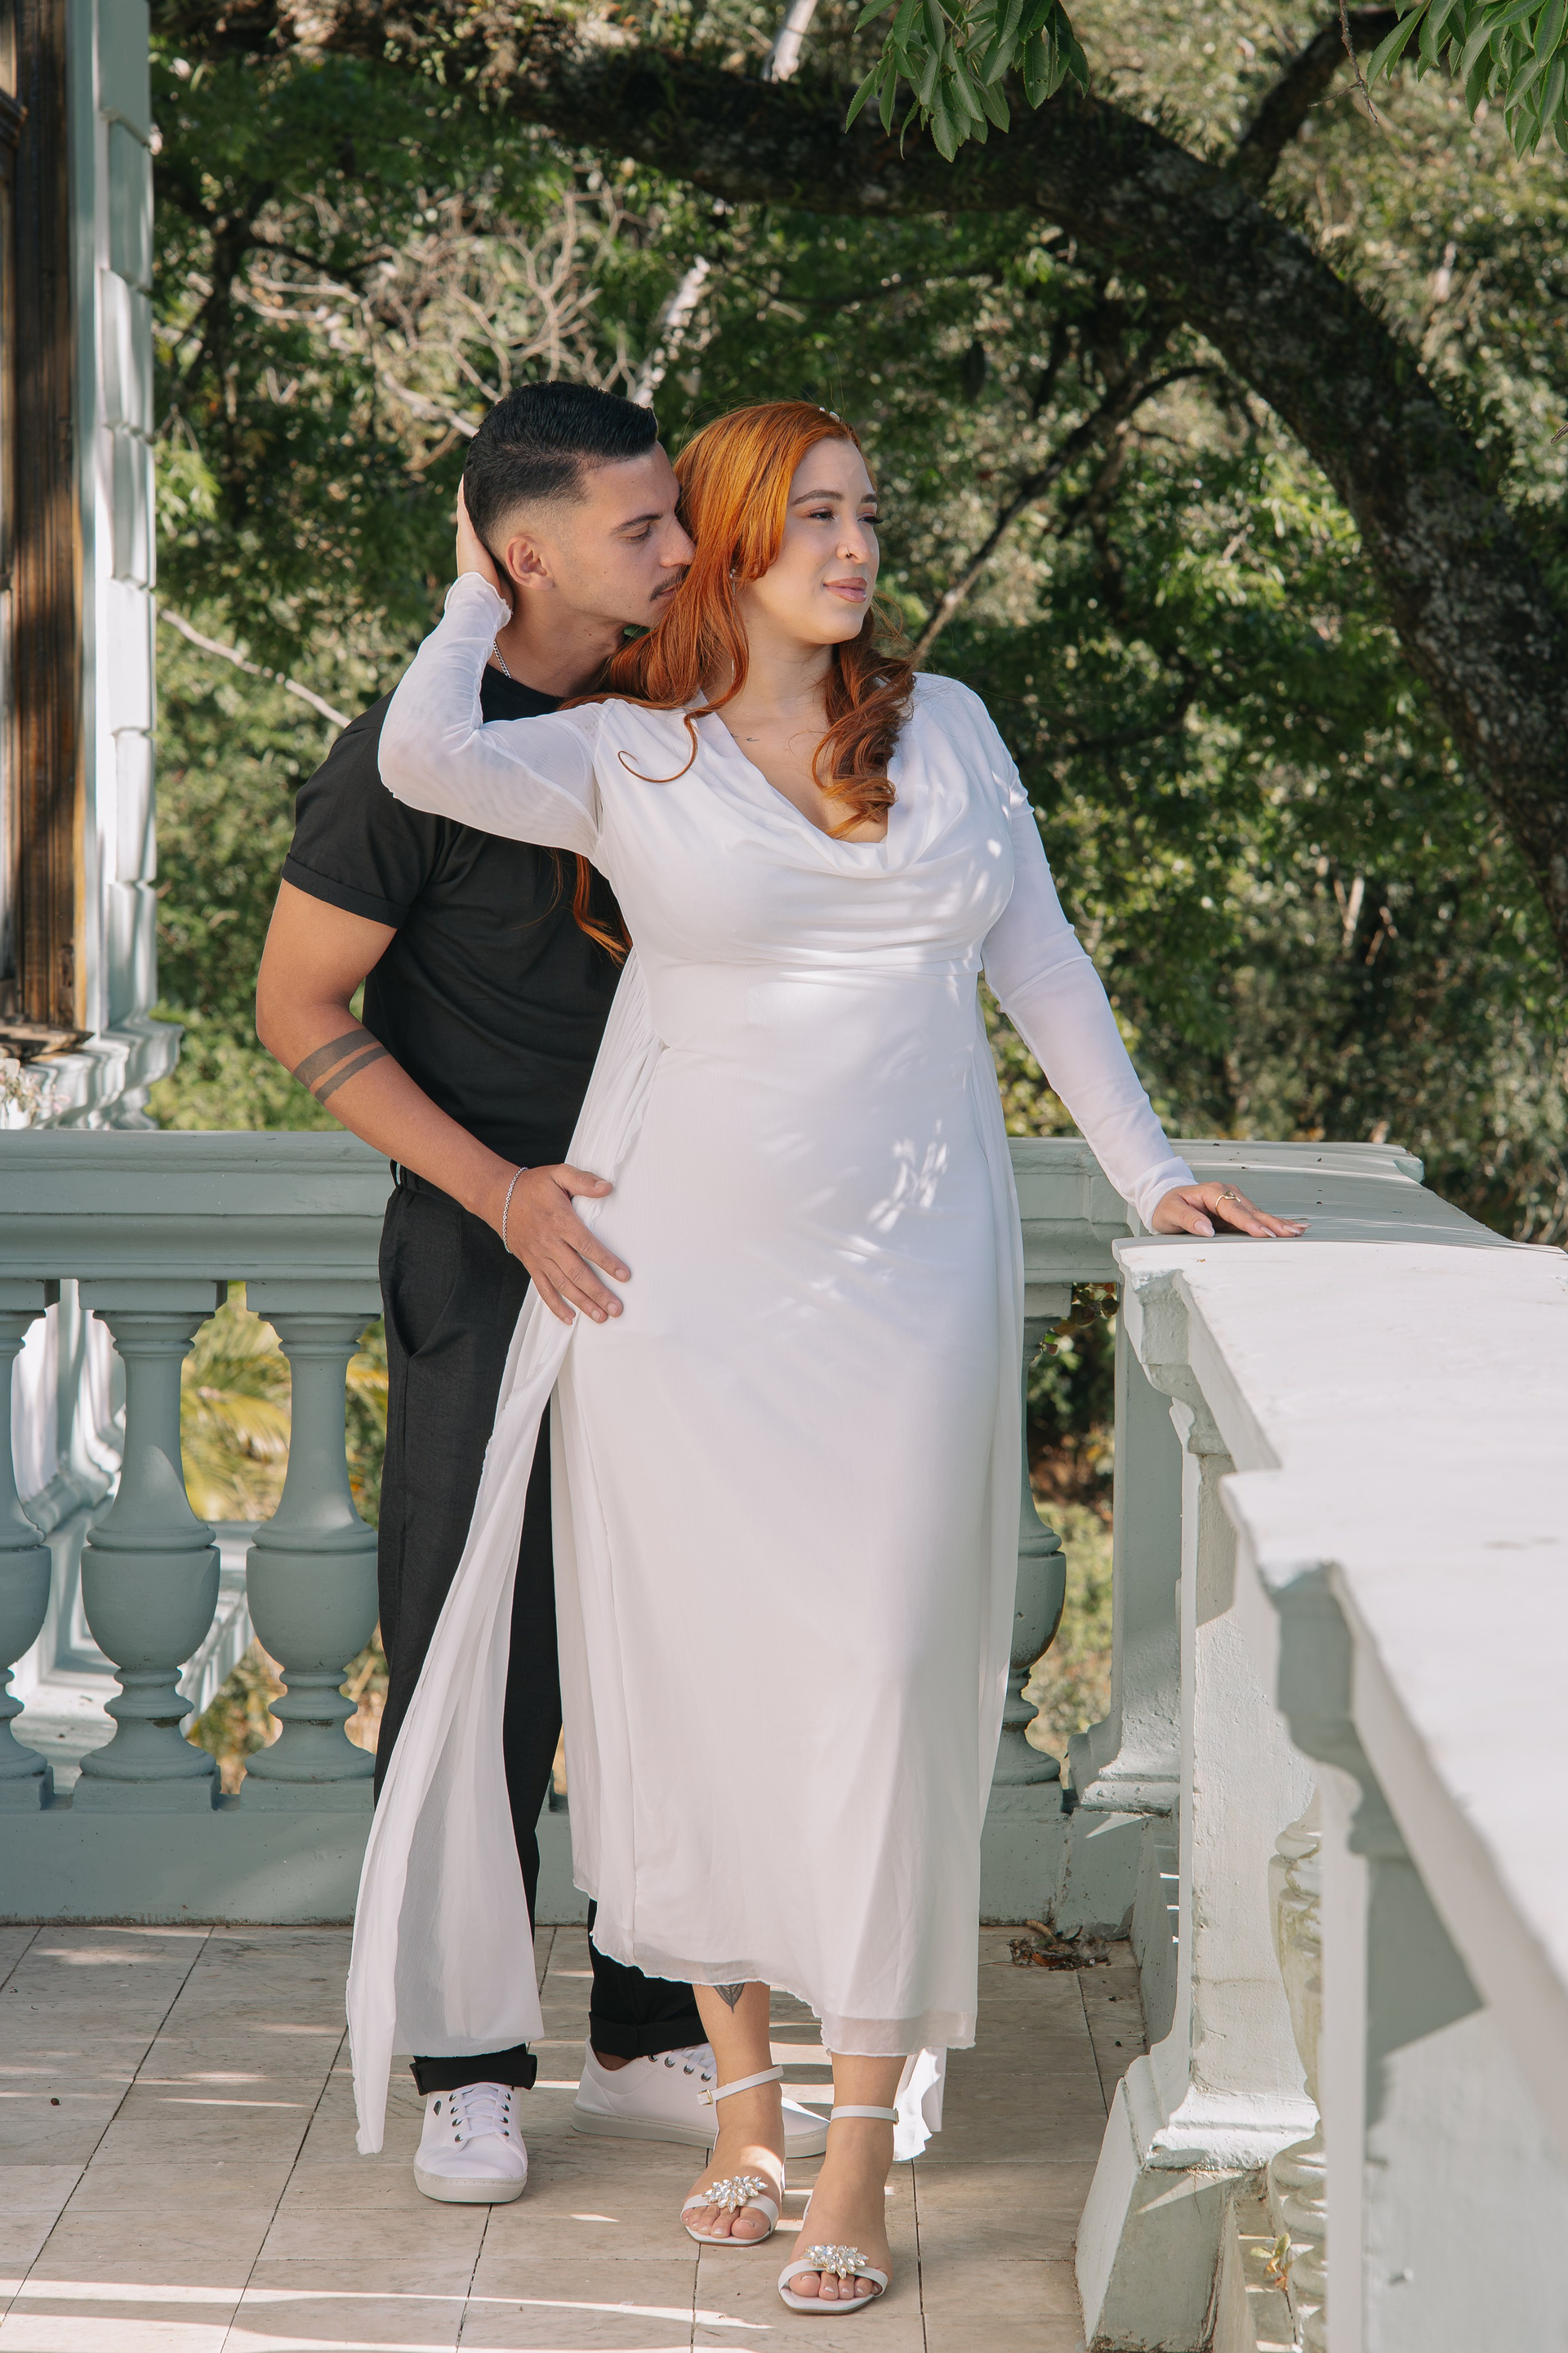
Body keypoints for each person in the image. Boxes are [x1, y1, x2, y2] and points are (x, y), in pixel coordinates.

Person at [354, 399, 1303, 2310]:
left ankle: (857, 2144)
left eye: (868, 512)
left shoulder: (948, 731)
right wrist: (474, 589)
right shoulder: (626, 750)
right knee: (699, 1676)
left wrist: (1157, 1174)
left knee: (883, 1673)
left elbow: (1041, 961)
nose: (855, 547)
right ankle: (743, 2110)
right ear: (720, 547)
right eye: (810, 518)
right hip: (678, 1280)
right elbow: (423, 751)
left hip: (911, 1276)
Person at [255, 382, 829, 2205]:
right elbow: (295, 1009)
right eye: (642, 527)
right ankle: (466, 2068)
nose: (682, 548)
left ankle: (652, 2028)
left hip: (695, 1250)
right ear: (526, 555)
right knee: (475, 1655)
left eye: (681, 518)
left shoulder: (689, 712)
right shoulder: (411, 752)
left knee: (677, 1642)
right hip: (489, 1243)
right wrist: (500, 1193)